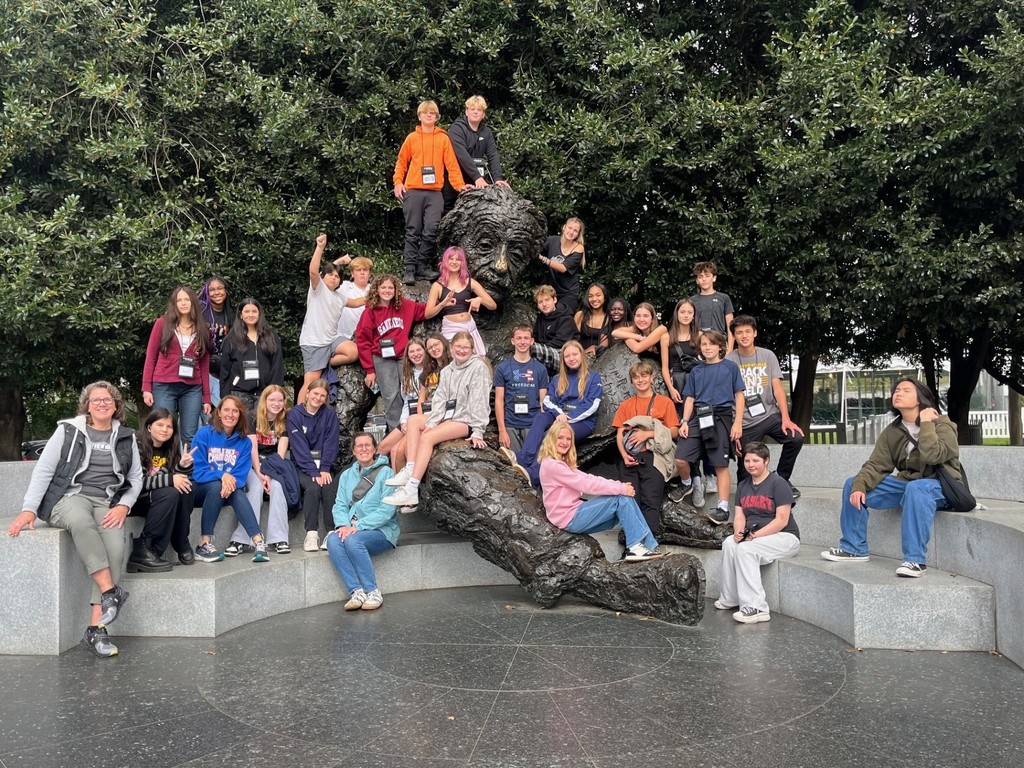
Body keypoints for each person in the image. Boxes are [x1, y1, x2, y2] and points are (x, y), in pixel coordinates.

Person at [8, 381, 142, 658]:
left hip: (105, 501)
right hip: (69, 498)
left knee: (115, 548)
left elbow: (136, 478)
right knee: (81, 522)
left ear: (116, 406)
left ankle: (96, 630)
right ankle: (110, 591)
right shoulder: (68, 430)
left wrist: (124, 506)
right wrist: (29, 509)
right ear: (87, 406)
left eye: (108, 400)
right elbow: (44, 470)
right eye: (96, 400)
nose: (102, 404)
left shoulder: (126, 437)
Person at [821, 378, 961, 578]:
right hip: (909, 485)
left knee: (918, 488)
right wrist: (860, 485)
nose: (898, 393)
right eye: (896, 390)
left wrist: (927, 423)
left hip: (941, 487)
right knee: (853, 483)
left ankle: (915, 559)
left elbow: (934, 456)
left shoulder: (943, 425)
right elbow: (877, 465)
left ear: (921, 398)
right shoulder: (893, 430)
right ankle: (854, 548)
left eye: (906, 390)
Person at [382, 331, 492, 508]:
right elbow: (440, 399)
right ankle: (410, 468)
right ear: (452, 347)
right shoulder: (448, 370)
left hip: (466, 420)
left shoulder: (478, 367)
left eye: (466, 347)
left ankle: (411, 489)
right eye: (458, 347)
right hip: (447, 418)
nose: (462, 351)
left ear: (472, 349)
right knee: (413, 421)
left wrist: (478, 431)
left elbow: (480, 401)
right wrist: (432, 422)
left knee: (427, 438)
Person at [538, 422, 665, 562]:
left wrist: (619, 486)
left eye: (568, 439)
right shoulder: (552, 465)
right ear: (551, 439)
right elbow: (586, 484)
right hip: (569, 518)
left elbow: (587, 478)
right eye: (560, 438)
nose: (565, 442)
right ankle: (636, 547)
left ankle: (648, 546)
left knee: (624, 500)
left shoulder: (560, 463)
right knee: (621, 498)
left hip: (574, 512)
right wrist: (621, 488)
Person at [502, 341, 603, 488]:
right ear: (563, 359)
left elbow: (592, 405)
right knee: (541, 417)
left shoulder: (593, 378)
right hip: (560, 415)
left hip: (582, 422)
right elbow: (548, 401)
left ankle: (534, 474)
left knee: (553, 434)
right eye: (567, 356)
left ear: (582, 355)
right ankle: (524, 458)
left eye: (575, 354)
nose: (571, 358)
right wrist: (559, 415)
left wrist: (566, 420)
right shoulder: (557, 379)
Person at [718, 442, 799, 623]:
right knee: (730, 543)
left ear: (766, 461)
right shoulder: (743, 485)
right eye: (747, 460)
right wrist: (739, 533)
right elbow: (739, 515)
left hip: (785, 537)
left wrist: (755, 536)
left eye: (756, 460)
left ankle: (757, 607)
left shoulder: (779, 484)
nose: (751, 464)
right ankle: (730, 597)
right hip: (754, 535)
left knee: (746, 549)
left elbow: (782, 520)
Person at [725, 315, 804, 498]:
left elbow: (777, 389)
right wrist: (734, 427)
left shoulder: (768, 355)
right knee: (745, 466)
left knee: (795, 438)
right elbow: (727, 398)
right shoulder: (729, 361)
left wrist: (786, 418)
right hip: (744, 421)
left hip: (769, 415)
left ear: (755, 333)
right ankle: (745, 498)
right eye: (739, 333)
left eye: (747, 331)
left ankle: (782, 481)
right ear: (734, 337)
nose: (744, 336)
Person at [356, 273, 444, 432]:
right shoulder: (369, 312)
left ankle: (415, 425)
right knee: (391, 396)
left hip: (403, 357)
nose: (387, 290)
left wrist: (442, 302)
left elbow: (424, 310)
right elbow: (362, 341)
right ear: (376, 289)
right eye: (383, 287)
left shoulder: (404, 306)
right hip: (382, 358)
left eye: (391, 287)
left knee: (412, 390)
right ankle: (396, 432)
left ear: (396, 290)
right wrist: (369, 370)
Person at [393, 99, 469, 285]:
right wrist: (397, 182)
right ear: (419, 116)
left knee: (432, 230)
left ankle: (421, 267)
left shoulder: (443, 138)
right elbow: (402, 162)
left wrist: (460, 186)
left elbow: (451, 165)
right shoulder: (412, 138)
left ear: (436, 117)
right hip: (413, 191)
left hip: (435, 193)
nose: (429, 115)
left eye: (432, 113)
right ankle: (409, 270)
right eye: (425, 112)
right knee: (413, 231)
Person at [673, 330, 745, 524]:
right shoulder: (696, 371)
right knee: (680, 458)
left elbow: (739, 395)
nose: (707, 348)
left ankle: (722, 507)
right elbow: (689, 398)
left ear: (720, 346)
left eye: (711, 344)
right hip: (700, 416)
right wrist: (685, 421)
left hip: (722, 416)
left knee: (720, 464)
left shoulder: (730, 367)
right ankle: (687, 483)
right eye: (704, 344)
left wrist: (737, 422)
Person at [325, 432, 399, 611]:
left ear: (375, 449)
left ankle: (372, 591)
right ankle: (356, 591)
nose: (364, 449)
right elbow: (340, 504)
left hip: (382, 531)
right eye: (359, 446)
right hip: (352, 528)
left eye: (368, 445)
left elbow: (387, 510)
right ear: (353, 451)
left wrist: (357, 526)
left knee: (353, 540)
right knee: (333, 540)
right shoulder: (346, 475)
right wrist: (343, 525)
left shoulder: (387, 473)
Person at [191, 396, 269, 563]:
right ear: (219, 412)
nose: (230, 414)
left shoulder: (245, 443)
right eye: (226, 410)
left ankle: (258, 541)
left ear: (240, 415)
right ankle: (204, 542)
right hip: (199, 490)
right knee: (215, 486)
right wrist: (222, 475)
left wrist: (228, 482)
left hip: (226, 492)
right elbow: (198, 471)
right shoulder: (204, 434)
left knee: (235, 490)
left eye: (235, 411)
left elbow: (240, 477)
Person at [226, 385, 296, 556]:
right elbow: (252, 449)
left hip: (273, 465)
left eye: (280, 400)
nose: (276, 403)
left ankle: (279, 538)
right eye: (272, 399)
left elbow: (280, 454)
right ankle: (242, 539)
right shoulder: (252, 417)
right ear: (265, 400)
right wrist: (259, 473)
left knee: (278, 488)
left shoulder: (285, 419)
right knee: (256, 487)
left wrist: (271, 475)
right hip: (251, 464)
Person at [612, 360, 680, 536]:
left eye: (644, 376)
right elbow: (620, 433)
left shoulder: (665, 402)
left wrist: (647, 434)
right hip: (630, 457)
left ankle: (648, 542)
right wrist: (623, 455)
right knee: (629, 500)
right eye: (636, 377)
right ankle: (631, 542)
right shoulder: (626, 405)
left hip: (653, 456)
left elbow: (674, 431)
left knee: (651, 501)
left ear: (652, 378)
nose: (640, 380)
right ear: (632, 381)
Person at [142, 285, 211, 445]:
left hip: (192, 388)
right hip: (164, 385)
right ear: (174, 304)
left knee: (190, 434)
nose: (183, 303)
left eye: (187, 299)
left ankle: (186, 468)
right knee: (162, 431)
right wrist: (146, 388)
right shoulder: (162, 323)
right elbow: (151, 356)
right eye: (179, 300)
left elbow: (205, 363)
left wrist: (206, 397)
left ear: (193, 302)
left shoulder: (203, 329)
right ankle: (162, 468)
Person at [129, 409, 195, 572]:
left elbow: (175, 476)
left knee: (186, 488)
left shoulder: (170, 448)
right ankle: (146, 548)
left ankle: (181, 541)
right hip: (134, 498)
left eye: (169, 426)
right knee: (170, 491)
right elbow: (138, 482)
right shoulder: (136, 444)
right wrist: (172, 477)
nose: (165, 429)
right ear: (149, 427)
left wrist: (183, 466)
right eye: (160, 425)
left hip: (157, 499)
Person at [297, 233, 354, 405]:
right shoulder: (317, 289)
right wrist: (320, 247)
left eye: (337, 276)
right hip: (314, 342)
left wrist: (380, 292)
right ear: (323, 276)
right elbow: (314, 270)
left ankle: (325, 362)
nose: (334, 277)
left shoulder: (340, 297)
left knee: (353, 351)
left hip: (332, 340)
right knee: (310, 384)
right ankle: (296, 418)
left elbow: (359, 301)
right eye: (330, 275)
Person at [287, 378, 340, 552]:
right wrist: (313, 471)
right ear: (308, 393)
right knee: (312, 488)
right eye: (315, 393)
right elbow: (299, 447)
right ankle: (311, 534)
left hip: (323, 466)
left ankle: (331, 532)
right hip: (302, 466)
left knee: (328, 487)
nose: (318, 398)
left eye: (322, 395)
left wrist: (324, 468)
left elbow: (331, 442)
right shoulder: (294, 414)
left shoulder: (330, 414)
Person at [219, 298, 285, 422]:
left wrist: (273, 392)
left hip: (264, 394)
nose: (250, 315)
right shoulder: (231, 339)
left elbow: (277, 366)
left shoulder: (271, 337)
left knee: (262, 430)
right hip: (239, 394)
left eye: (254, 311)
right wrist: (225, 397)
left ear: (259, 313)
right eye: (247, 311)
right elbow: (225, 370)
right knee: (241, 430)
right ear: (240, 314)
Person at [442, 95, 511, 213]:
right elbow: (462, 155)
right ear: (466, 112)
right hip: (455, 183)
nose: (475, 112)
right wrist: (477, 177)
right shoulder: (457, 128)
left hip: (477, 183)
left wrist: (497, 178)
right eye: (472, 109)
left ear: (483, 114)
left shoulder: (487, 132)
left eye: (479, 110)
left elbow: (493, 155)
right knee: (449, 215)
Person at [426, 245, 497, 354]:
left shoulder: (470, 282)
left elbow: (493, 305)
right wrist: (442, 304)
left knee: (476, 364)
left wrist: (479, 299)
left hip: (469, 329)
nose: (454, 262)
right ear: (445, 261)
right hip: (451, 330)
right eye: (451, 259)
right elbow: (428, 314)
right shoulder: (438, 285)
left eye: (458, 259)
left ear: (462, 263)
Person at [374, 338, 427, 473]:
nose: (416, 354)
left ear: (425, 351)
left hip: (424, 418)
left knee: (396, 451)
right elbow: (406, 402)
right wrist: (403, 422)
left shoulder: (432, 372)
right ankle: (378, 479)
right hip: (409, 417)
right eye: (412, 352)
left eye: (418, 350)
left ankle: (401, 487)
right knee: (383, 447)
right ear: (407, 356)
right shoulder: (407, 375)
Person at [495, 325, 550, 453]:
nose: (522, 342)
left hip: (533, 424)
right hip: (510, 424)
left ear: (532, 341)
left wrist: (542, 427)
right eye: (519, 338)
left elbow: (543, 401)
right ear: (512, 341)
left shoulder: (540, 369)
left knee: (532, 461)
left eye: (526, 338)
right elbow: (499, 400)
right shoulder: (502, 368)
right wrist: (502, 430)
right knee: (514, 464)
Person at [330, 256, 374, 367]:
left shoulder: (375, 289)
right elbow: (324, 281)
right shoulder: (344, 286)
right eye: (359, 270)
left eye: (365, 270)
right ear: (352, 273)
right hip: (344, 336)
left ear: (370, 273)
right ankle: (326, 363)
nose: (362, 273)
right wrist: (338, 261)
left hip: (368, 338)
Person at [539, 217, 586, 314]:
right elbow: (537, 247)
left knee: (561, 316)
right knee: (547, 316)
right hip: (551, 291)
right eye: (570, 228)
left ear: (578, 234)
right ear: (564, 227)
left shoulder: (579, 248)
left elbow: (563, 268)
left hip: (568, 293)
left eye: (575, 230)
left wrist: (543, 259)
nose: (571, 232)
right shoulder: (552, 240)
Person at [198, 276, 233, 408]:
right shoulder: (200, 312)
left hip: (224, 372)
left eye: (220, 288)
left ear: (226, 291)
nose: (216, 292)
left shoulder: (232, 315)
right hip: (203, 369)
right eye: (212, 290)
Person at [690, 260, 735, 354]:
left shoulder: (724, 298)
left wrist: (730, 350)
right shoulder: (691, 301)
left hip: (720, 343)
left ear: (714, 278)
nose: (704, 279)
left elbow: (731, 326)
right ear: (697, 280)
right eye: (700, 277)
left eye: (707, 276)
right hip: (699, 344)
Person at [530, 284, 577, 372]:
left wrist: (539, 347)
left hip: (564, 354)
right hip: (545, 353)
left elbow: (560, 342)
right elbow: (535, 337)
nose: (544, 304)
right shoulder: (540, 318)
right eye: (540, 302)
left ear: (554, 300)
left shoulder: (566, 318)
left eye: (547, 300)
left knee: (532, 348)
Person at [575, 283, 610, 357]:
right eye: (590, 296)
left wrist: (595, 348)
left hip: (602, 358)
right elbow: (573, 340)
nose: (594, 299)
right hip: (580, 356)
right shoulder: (580, 315)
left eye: (598, 295)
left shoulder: (609, 318)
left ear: (605, 297)